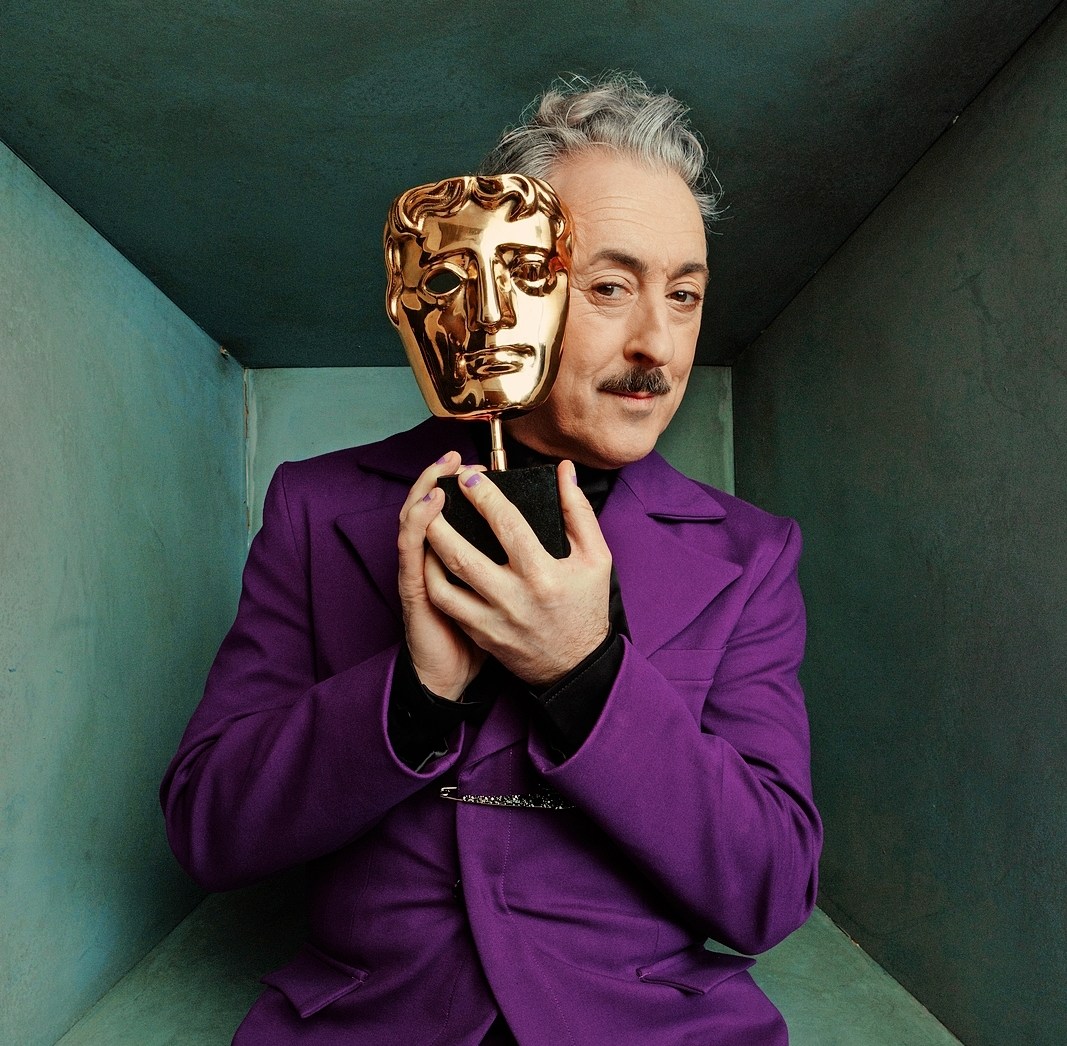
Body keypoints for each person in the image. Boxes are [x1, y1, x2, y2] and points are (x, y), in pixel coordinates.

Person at [161, 73, 822, 1046]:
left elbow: (770, 889)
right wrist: (415, 690)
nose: (656, 344)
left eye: (682, 296)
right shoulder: (318, 507)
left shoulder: (750, 555)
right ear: (498, 280)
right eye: (607, 286)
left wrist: (585, 673)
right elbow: (207, 827)